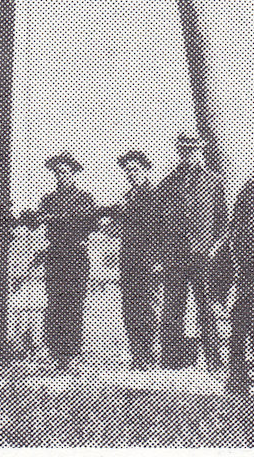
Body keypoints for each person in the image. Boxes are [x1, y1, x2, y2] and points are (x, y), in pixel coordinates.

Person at [157, 131, 227, 369]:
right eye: (184, 150)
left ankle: (214, 360)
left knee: (206, 307)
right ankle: (171, 360)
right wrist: (162, 254)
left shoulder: (214, 182)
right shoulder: (167, 184)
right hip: (175, 255)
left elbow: (222, 222)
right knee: (172, 308)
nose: (189, 154)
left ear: (201, 150)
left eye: (193, 150)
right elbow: (158, 224)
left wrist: (215, 249)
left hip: (203, 256)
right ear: (179, 152)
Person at [26, 152, 99, 370]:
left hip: (76, 255)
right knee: (55, 303)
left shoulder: (84, 199)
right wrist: (30, 217)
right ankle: (56, 352)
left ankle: (72, 352)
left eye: (66, 172)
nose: (62, 176)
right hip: (55, 256)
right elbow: (35, 223)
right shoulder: (48, 199)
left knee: (74, 303)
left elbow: (91, 224)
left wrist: (63, 219)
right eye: (58, 172)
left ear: (74, 174)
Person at [100, 149, 161, 370]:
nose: (131, 174)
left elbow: (160, 230)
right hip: (129, 259)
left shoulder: (155, 196)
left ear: (145, 170)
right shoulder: (127, 197)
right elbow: (119, 227)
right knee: (130, 307)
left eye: (135, 170)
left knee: (147, 307)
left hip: (148, 260)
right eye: (127, 171)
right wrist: (109, 226)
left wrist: (157, 260)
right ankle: (137, 355)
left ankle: (148, 355)